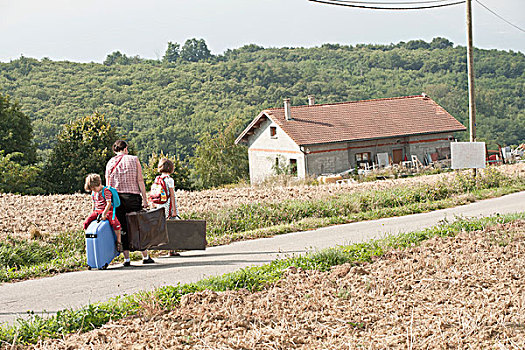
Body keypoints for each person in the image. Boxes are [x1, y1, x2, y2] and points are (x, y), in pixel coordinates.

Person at [106, 140, 154, 266]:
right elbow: (140, 180)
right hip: (133, 197)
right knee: (137, 226)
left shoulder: (110, 163)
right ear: (126, 148)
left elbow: (108, 186)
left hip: (117, 199)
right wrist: (144, 199)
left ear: (115, 150)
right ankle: (145, 256)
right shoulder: (134, 159)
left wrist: (108, 203)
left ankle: (126, 259)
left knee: (123, 228)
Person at [83, 173, 123, 252]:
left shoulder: (106, 191)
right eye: (92, 189)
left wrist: (104, 213)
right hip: (97, 211)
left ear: (98, 184)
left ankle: (119, 242)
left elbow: (108, 203)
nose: (93, 190)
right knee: (86, 223)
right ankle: (88, 241)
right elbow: (94, 203)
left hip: (107, 210)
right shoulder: (94, 193)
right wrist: (92, 212)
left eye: (94, 188)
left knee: (116, 224)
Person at [151, 158, 179, 257]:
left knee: (163, 227)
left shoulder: (157, 179)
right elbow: (172, 195)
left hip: (160, 206)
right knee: (173, 228)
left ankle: (164, 247)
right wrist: (174, 210)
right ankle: (172, 250)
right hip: (169, 206)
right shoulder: (169, 180)